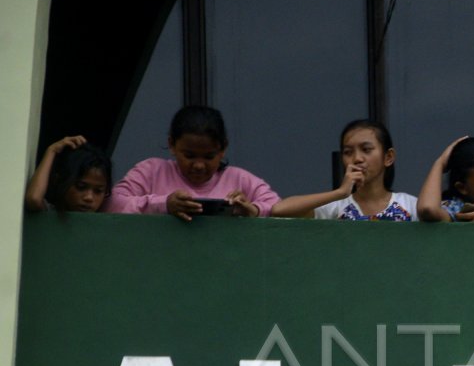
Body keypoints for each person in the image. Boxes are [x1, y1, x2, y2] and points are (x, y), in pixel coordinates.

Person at [111, 105, 278, 221]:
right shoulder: (151, 172)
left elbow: (279, 208)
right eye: (189, 155)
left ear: (223, 149)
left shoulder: (240, 180)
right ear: (171, 145)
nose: (199, 165)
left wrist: (252, 210)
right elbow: (111, 204)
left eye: (209, 156)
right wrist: (164, 205)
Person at [272, 119, 417, 221]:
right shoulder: (336, 207)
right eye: (348, 152)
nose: (357, 158)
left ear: (388, 157)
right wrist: (340, 192)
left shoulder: (409, 205)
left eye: (366, 150)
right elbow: (279, 210)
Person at [25, 135, 112, 212]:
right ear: (59, 181)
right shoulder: (50, 213)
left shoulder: (103, 223)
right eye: (81, 187)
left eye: (98, 191)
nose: (89, 197)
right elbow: (34, 199)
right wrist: (52, 150)